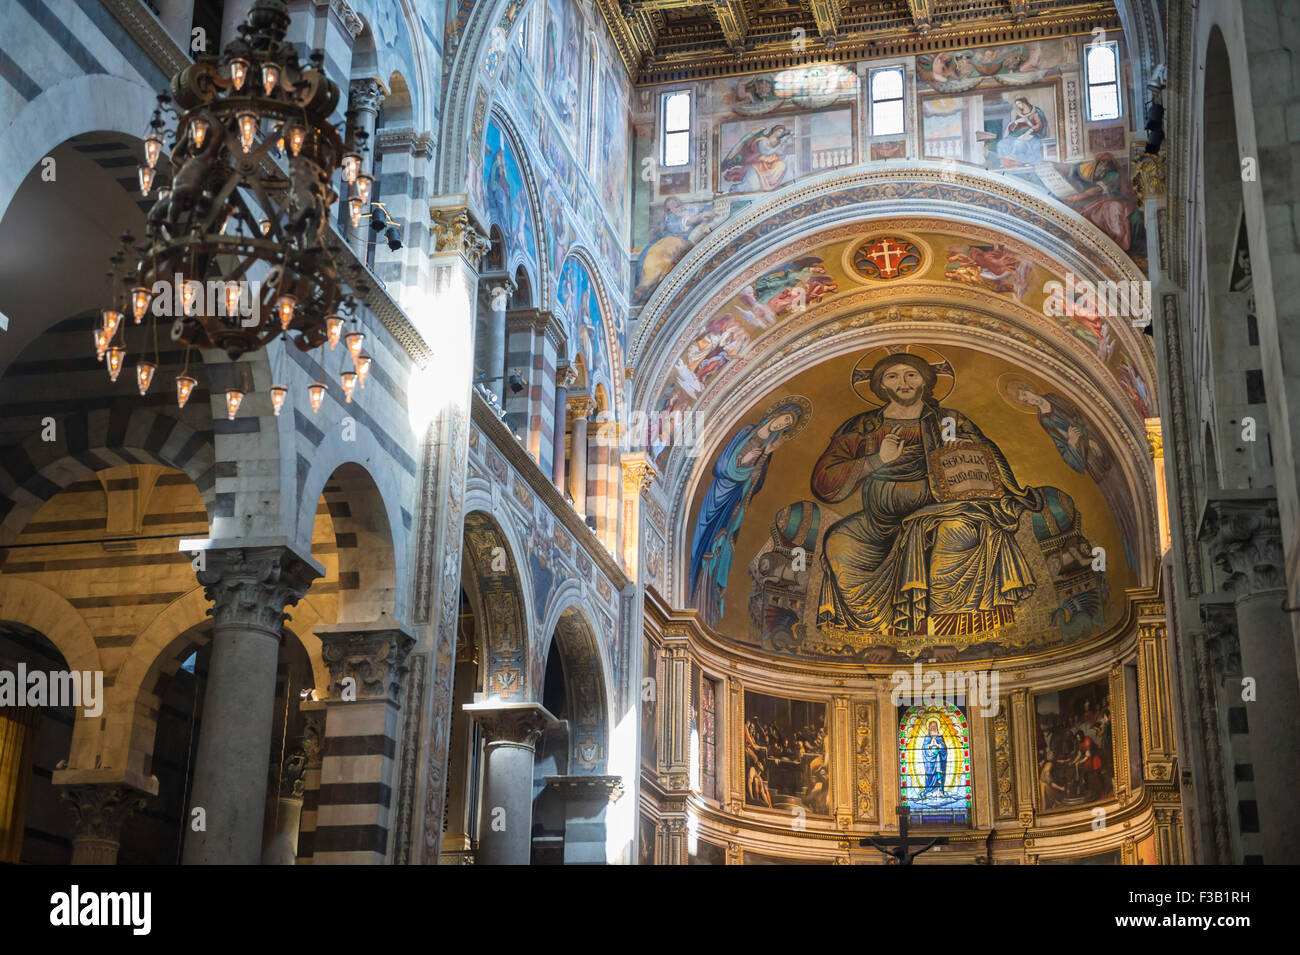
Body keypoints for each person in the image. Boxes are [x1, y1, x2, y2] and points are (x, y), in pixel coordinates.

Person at [812, 352, 1044, 637]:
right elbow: (825, 482)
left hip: (942, 511)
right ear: (881, 385)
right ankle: (877, 635)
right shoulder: (862, 427)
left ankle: (946, 634)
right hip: (878, 523)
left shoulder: (949, 420)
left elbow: (991, 464)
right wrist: (877, 460)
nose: (903, 383)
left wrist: (967, 450)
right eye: (892, 376)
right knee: (838, 541)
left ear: (925, 381)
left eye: (911, 374)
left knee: (958, 531)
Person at [690, 402, 807, 627]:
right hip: (721, 494)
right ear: (775, 414)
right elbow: (722, 467)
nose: (783, 424)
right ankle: (697, 593)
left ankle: (709, 604)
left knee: (723, 546)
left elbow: (757, 482)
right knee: (709, 543)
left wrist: (764, 455)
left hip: (737, 501)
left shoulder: (769, 446)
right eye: (784, 418)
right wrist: (744, 461)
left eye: (788, 424)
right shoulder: (746, 432)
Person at [921, 720, 948, 797]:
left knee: (939, 775)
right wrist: (931, 751)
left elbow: (944, 751)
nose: (933, 728)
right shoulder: (926, 738)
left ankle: (940, 791)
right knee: (930, 775)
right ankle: (929, 791)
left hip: (939, 761)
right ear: (929, 728)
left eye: (935, 727)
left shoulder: (939, 738)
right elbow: (924, 750)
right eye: (932, 727)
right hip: (930, 763)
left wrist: (940, 748)